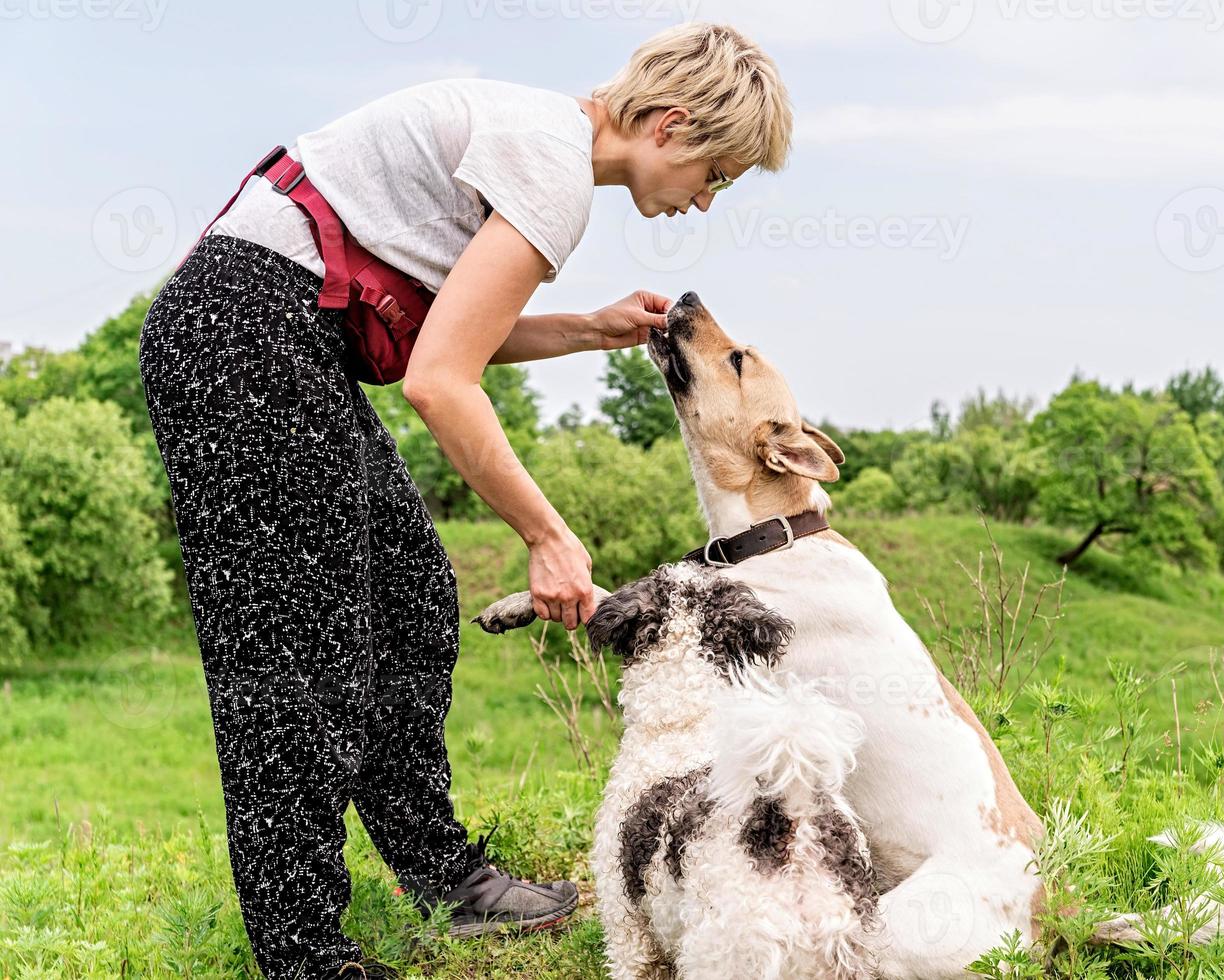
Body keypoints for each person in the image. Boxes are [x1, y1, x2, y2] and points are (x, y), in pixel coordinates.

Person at [137, 22, 793, 980]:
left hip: (271, 333)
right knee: (296, 656)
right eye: (715, 174)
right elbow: (441, 382)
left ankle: (443, 874)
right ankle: (305, 954)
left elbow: (451, 327)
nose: (702, 202)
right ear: (672, 123)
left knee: (406, 596)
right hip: (243, 335)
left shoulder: (539, 140)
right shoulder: (554, 167)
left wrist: (585, 329)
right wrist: (548, 535)